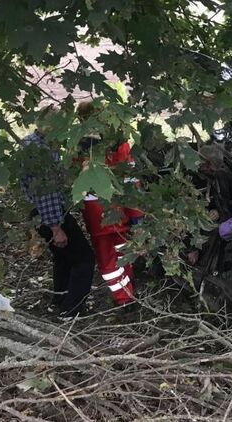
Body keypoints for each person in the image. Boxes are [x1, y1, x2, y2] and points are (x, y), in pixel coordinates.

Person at [19, 105, 94, 320]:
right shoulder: (41, 151)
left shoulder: (29, 142)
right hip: (49, 213)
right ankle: (71, 309)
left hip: (38, 213)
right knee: (84, 259)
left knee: (63, 258)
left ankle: (60, 300)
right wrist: (55, 227)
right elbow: (47, 191)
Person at [76, 99, 142, 306]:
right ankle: (128, 293)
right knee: (121, 254)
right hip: (118, 212)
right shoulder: (118, 142)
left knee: (109, 262)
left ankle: (125, 298)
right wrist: (137, 215)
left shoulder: (79, 146)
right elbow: (132, 181)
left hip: (99, 216)